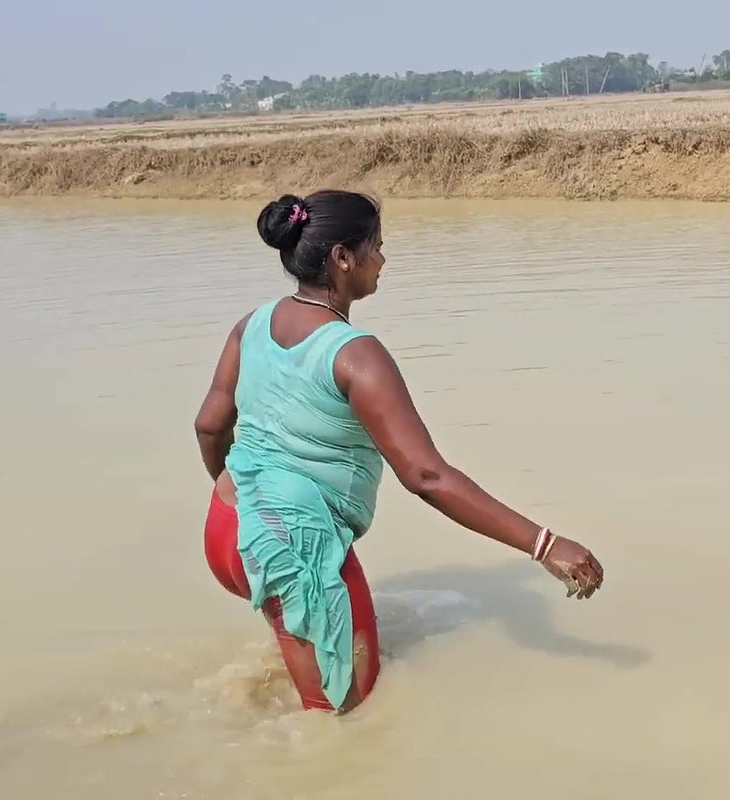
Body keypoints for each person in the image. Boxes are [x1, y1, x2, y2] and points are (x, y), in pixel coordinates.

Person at [194, 189, 605, 714]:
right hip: (291, 545)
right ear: (343, 258)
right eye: (376, 247)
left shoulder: (250, 326)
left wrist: (247, 506)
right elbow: (426, 476)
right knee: (346, 721)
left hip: (226, 527)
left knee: (317, 677)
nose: (383, 261)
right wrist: (544, 544)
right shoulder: (355, 356)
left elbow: (209, 426)